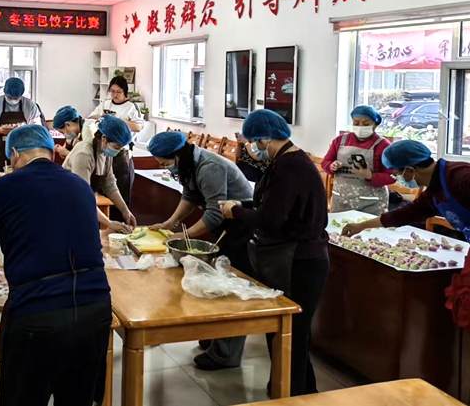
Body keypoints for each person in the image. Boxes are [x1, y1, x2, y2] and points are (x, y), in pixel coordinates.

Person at [0, 125, 112, 406]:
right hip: (96, 311)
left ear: (15, 154)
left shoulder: (2, 189)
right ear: (52, 153)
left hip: (37, 316)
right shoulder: (80, 186)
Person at [220, 109, 329, 397]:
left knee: (291, 332)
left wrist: (236, 212)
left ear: (265, 138)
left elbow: (273, 219)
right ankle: (293, 389)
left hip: (300, 261)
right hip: (294, 255)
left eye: (252, 142)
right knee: (286, 331)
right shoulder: (284, 161)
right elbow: (273, 203)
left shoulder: (291, 167)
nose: (251, 149)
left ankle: (292, 393)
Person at [148, 130, 256, 371]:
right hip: (225, 225)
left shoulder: (209, 167)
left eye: (165, 163)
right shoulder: (189, 164)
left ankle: (226, 354)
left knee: (231, 287)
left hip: (240, 227)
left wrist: (183, 235)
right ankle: (215, 337)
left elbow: (215, 213)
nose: (165, 168)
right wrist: (170, 223)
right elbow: (189, 195)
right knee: (217, 283)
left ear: (178, 155)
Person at [342, 140, 470, 241]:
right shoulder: (432, 192)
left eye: (396, 174)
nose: (397, 179)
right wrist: (362, 226)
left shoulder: (462, 178)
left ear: (410, 170)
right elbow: (404, 214)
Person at [60, 112, 137, 233]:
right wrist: (109, 223)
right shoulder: (84, 154)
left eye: (120, 148)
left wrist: (125, 211)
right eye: (116, 147)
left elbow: (109, 185)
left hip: (83, 204)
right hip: (67, 204)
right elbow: (82, 196)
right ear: (104, 138)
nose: (117, 151)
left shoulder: (105, 152)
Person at [88, 76, 144, 223]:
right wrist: (103, 118)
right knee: (102, 186)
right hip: (104, 148)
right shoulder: (105, 103)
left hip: (121, 153)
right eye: (112, 91)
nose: (115, 95)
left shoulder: (131, 107)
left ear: (125, 92)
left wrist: (119, 121)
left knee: (120, 188)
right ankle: (103, 222)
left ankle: (121, 221)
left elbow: (138, 127)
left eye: (118, 92)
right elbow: (92, 117)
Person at [323, 106, 394, 215]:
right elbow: (325, 162)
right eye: (356, 123)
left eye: (366, 124)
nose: (360, 127)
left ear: (375, 124)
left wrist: (370, 176)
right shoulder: (340, 140)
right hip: (341, 200)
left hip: (371, 204)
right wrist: (331, 166)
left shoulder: (383, 145)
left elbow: (392, 176)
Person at [0, 77, 41, 172]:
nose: (13, 100)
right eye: (9, 98)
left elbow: (38, 129)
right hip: (1, 154)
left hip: (25, 155)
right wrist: (0, 130)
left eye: (16, 98)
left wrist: (24, 128)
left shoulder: (30, 105)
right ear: (4, 91)